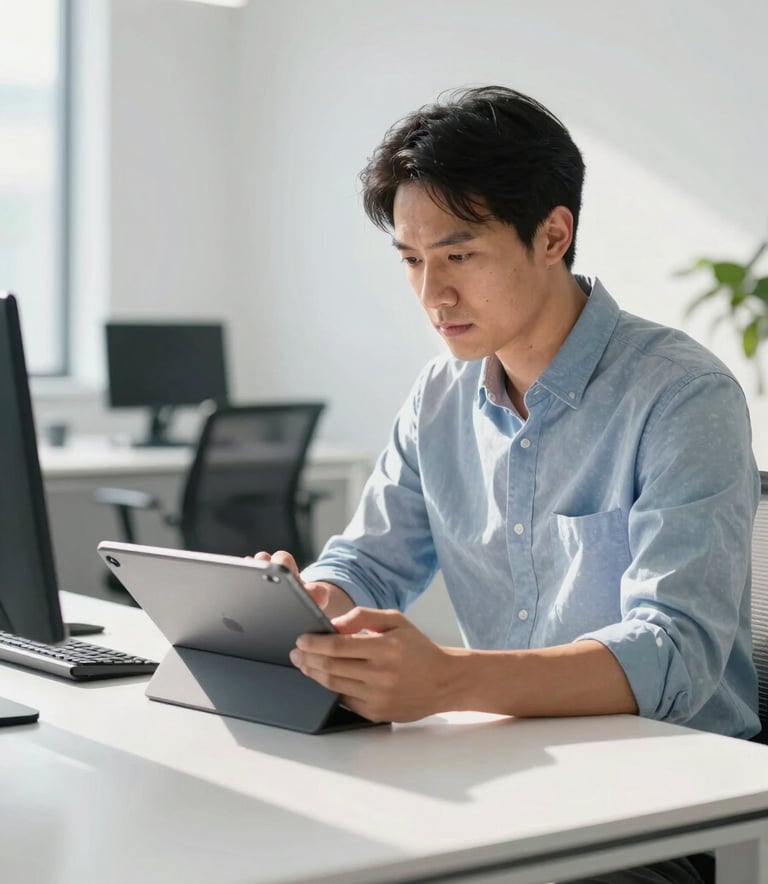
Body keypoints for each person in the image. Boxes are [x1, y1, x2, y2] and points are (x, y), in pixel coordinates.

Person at [255, 86, 760, 884]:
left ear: (553, 234)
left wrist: (449, 679)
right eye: (413, 261)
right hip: (507, 773)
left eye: (459, 255)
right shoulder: (439, 398)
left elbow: (674, 653)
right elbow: (368, 562)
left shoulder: (682, 397)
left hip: (667, 805)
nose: (433, 294)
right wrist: (313, 598)